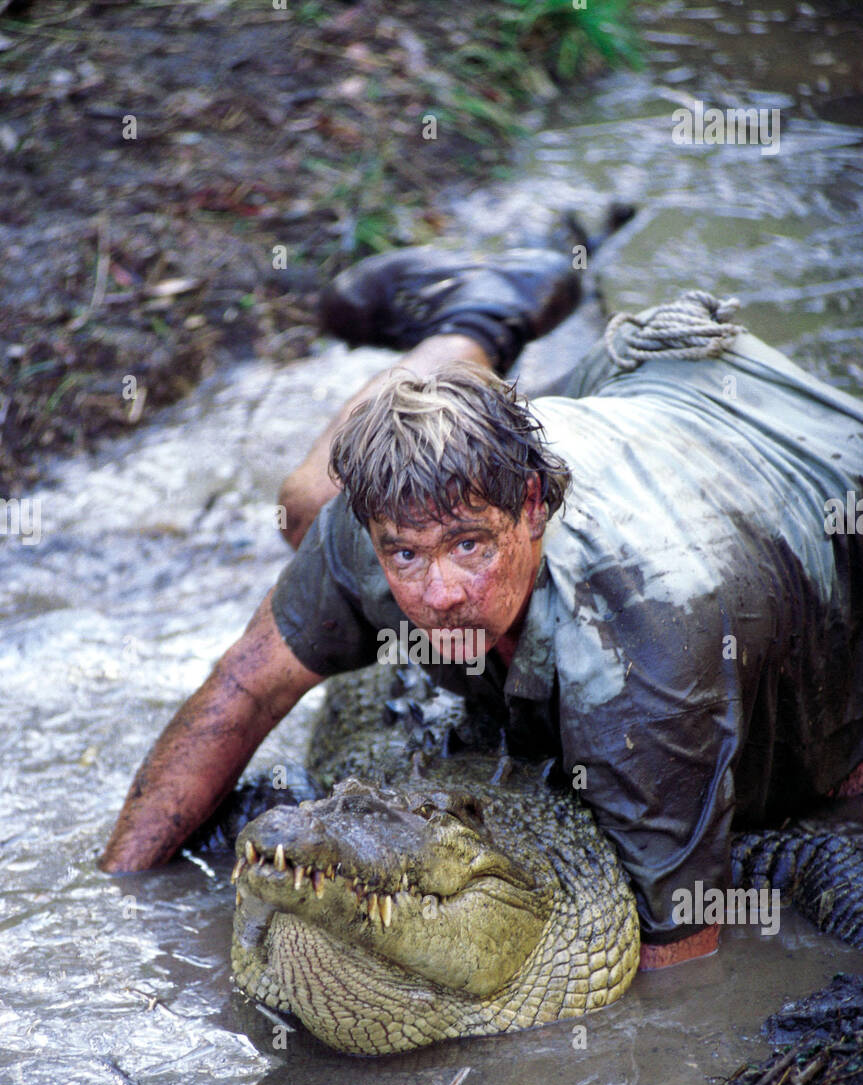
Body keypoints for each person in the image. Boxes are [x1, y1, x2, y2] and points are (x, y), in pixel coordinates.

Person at [100, 246, 863, 972]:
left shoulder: (643, 640)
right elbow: (243, 687)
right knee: (303, 504)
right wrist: (117, 901)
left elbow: (681, 948)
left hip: (797, 449)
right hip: (634, 397)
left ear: (532, 505)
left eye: (469, 548)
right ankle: (480, 316)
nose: (439, 598)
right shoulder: (373, 524)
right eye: (404, 556)